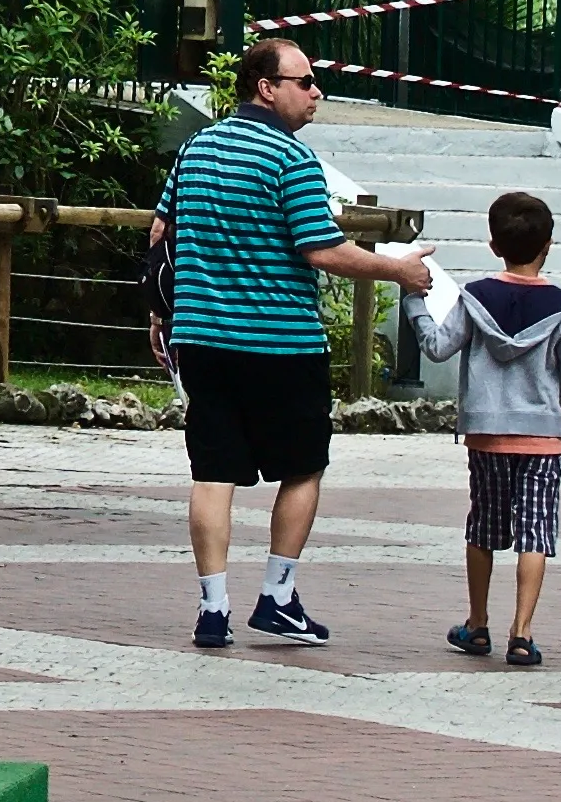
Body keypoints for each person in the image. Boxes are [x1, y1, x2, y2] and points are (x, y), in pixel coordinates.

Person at [158, 36, 437, 651]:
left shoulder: (194, 151)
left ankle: (212, 608)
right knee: (303, 466)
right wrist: (399, 269)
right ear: (267, 86)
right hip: (281, 343)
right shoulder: (291, 160)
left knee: (213, 472)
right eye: (305, 81)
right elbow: (321, 249)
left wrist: (163, 312)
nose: (316, 93)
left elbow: (162, 234)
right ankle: (277, 597)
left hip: (202, 338)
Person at [427, 188, 561, 665]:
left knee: (483, 528)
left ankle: (478, 624)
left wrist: (412, 300)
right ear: (548, 245)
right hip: (542, 440)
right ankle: (522, 633)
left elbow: (437, 347)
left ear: (494, 245)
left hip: (487, 436)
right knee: (535, 533)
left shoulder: (474, 297)